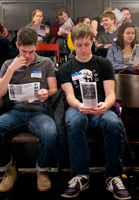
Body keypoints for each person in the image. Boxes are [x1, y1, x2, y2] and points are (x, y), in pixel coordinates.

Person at [58, 23, 131, 200]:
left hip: (100, 108)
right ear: (73, 44)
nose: (83, 49)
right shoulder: (65, 68)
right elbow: (69, 96)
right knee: (74, 122)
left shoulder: (103, 63)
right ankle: (80, 175)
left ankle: (113, 176)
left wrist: (106, 105)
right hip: (77, 108)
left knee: (113, 123)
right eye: (79, 45)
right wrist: (78, 105)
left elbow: (111, 93)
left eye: (87, 44)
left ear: (93, 42)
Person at [0, 27, 58, 192]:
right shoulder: (7, 64)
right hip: (15, 111)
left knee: (50, 132)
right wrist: (12, 68)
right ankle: (8, 168)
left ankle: (42, 170)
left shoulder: (45, 63)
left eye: (31, 51)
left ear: (36, 46)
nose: (27, 55)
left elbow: (54, 88)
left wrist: (46, 92)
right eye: (23, 51)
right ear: (17, 45)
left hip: (38, 111)